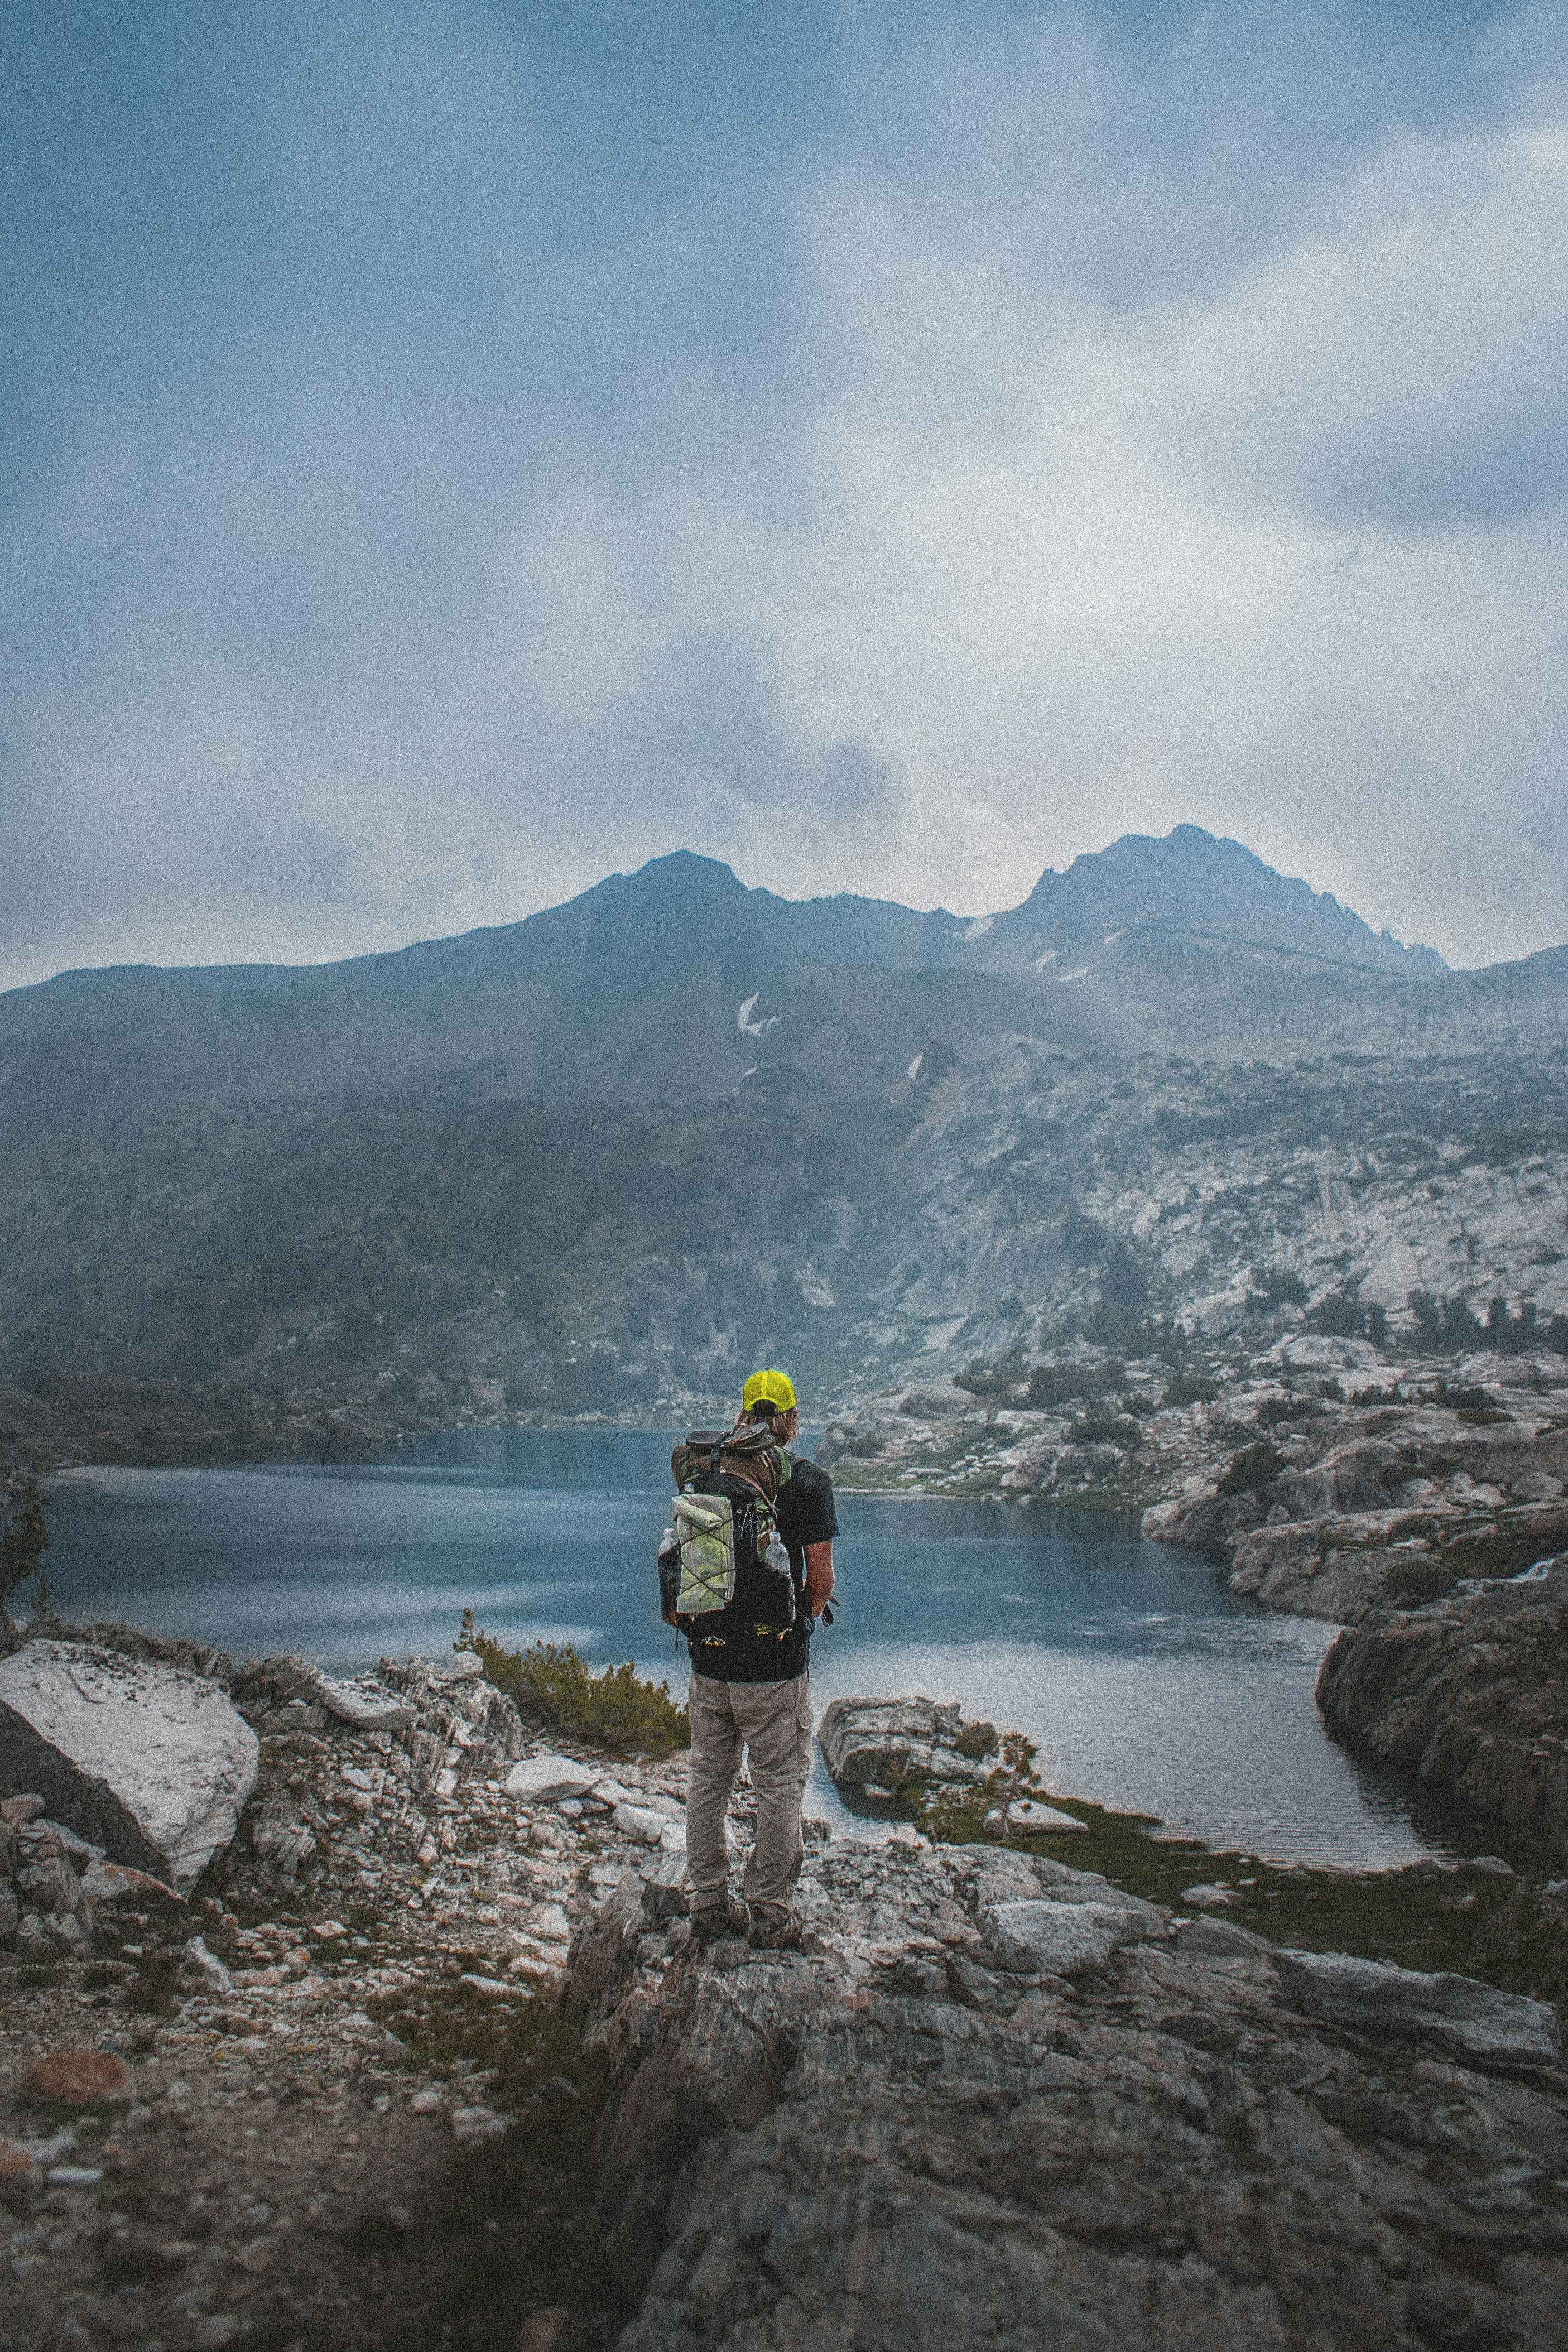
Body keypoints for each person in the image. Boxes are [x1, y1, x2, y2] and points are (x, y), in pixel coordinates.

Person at [684, 1367, 837, 1950]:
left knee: (708, 1780)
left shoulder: (707, 1472)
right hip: (774, 1668)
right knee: (777, 1785)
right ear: (791, 1418)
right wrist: (799, 1621)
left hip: (708, 1657)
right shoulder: (806, 1480)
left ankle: (706, 1903)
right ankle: (770, 1912)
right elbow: (819, 1582)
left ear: (744, 1412)